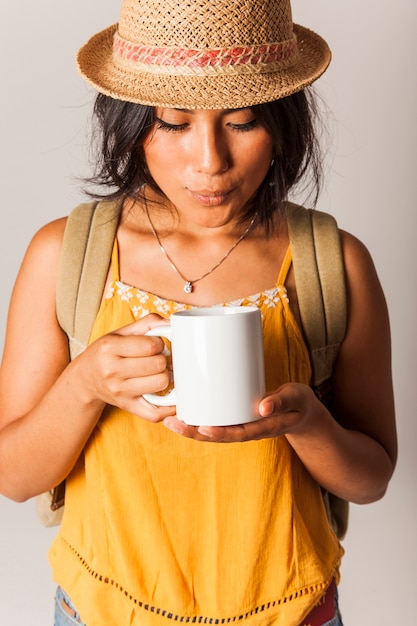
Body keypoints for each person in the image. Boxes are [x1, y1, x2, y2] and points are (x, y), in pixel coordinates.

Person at [0, 0, 397, 624]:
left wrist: (309, 423)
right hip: (102, 608)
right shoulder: (67, 255)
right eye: (174, 124)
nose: (209, 161)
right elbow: (14, 477)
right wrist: (85, 383)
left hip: (292, 610)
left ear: (283, 124)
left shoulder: (332, 263)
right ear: (132, 124)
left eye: (240, 123)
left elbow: (371, 479)